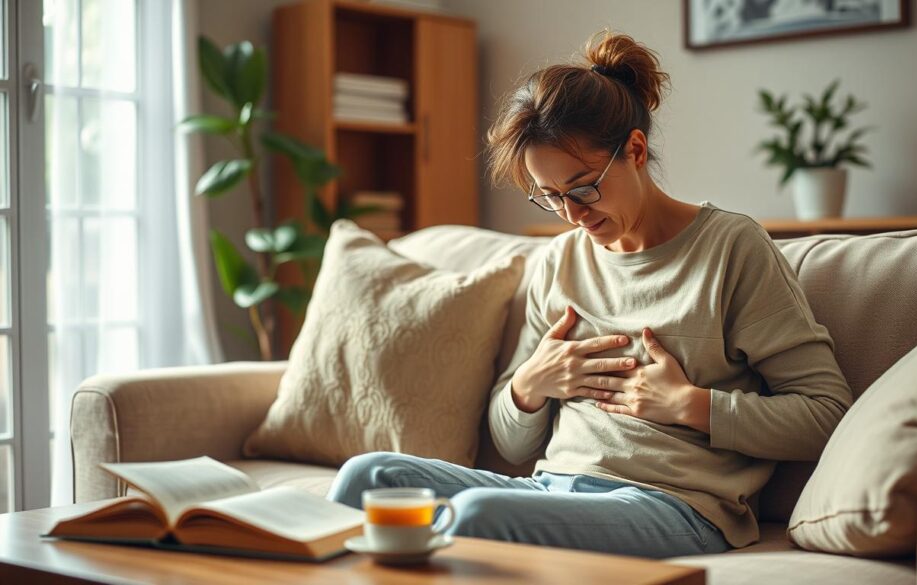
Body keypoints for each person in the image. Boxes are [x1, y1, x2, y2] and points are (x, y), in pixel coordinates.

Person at [327, 29, 853, 559]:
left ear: (636, 149)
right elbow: (512, 443)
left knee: (477, 516)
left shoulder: (731, 248)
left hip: (674, 505)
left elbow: (825, 413)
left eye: (582, 187)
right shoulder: (558, 262)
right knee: (368, 476)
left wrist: (691, 406)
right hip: (549, 490)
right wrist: (531, 385)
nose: (573, 214)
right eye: (551, 197)